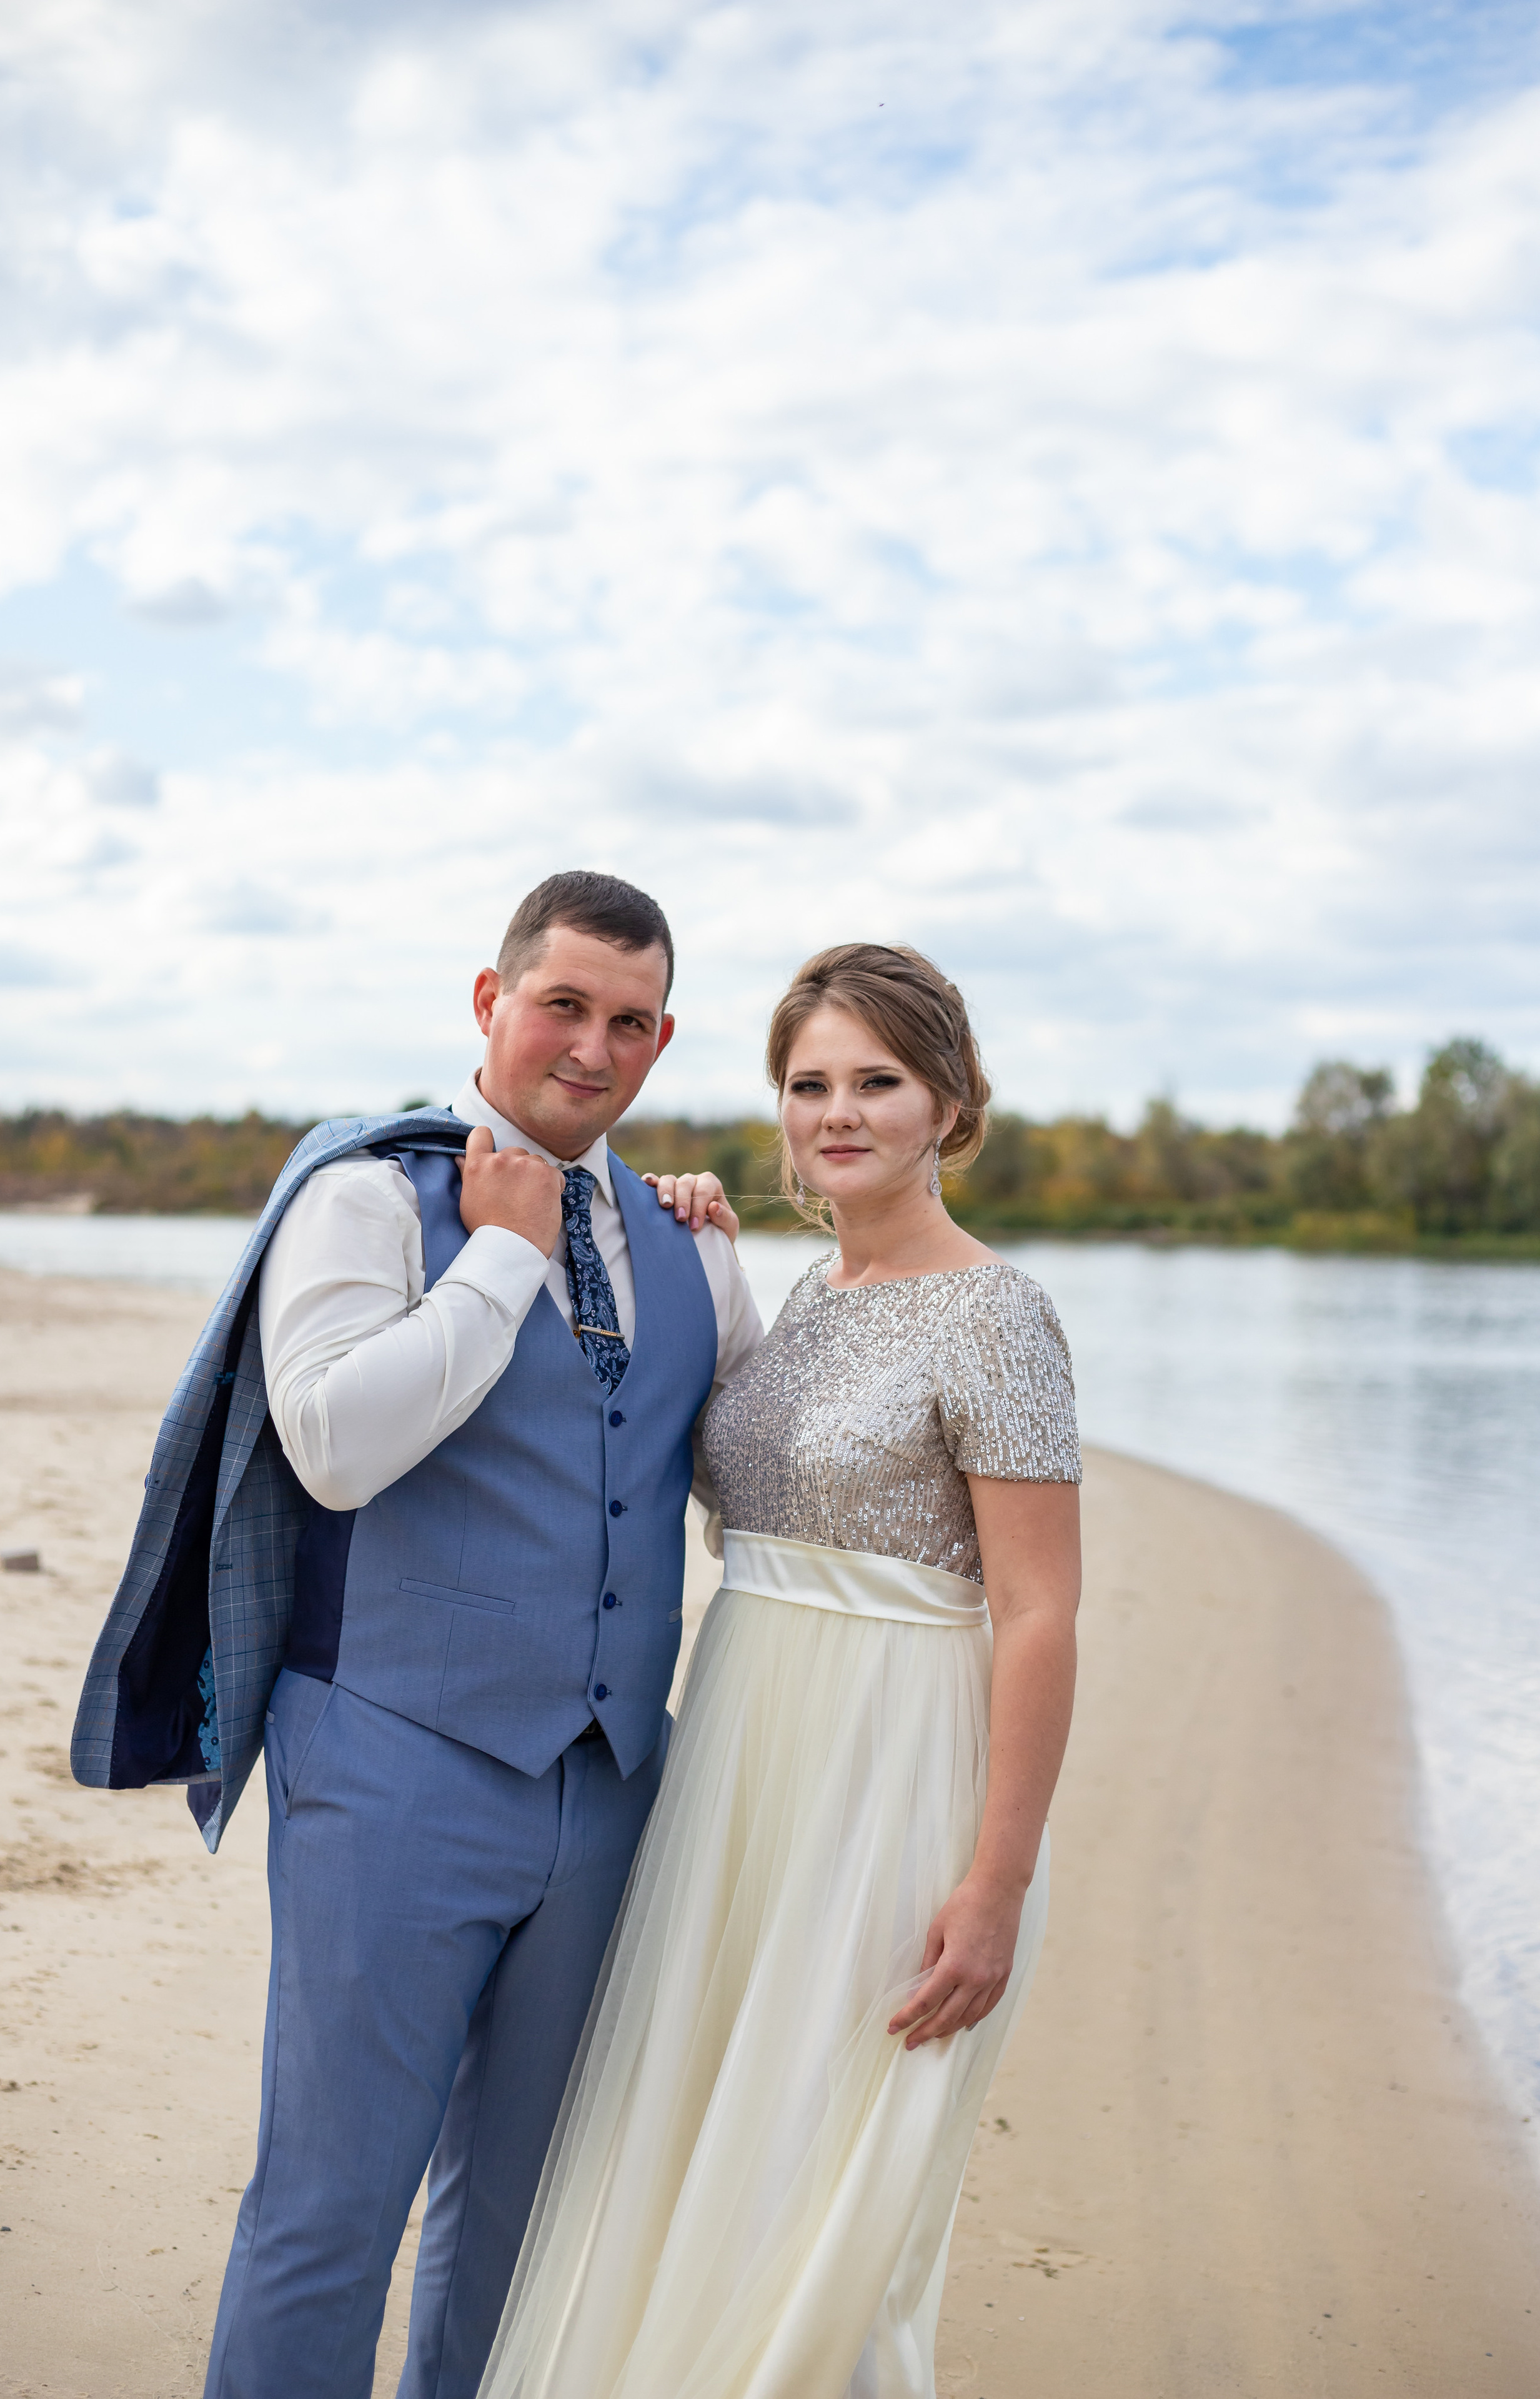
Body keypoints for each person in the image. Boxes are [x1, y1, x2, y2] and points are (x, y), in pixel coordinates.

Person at [71, 870, 760, 2399]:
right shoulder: (366, 1196)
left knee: (514, 2221)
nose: (591, 1047)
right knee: (329, 2210)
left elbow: (749, 1491)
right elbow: (330, 1445)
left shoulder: (691, 1241)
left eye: (629, 1022)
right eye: (562, 1005)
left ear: (661, 1042)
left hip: (603, 1789)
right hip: (388, 1768)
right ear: (488, 1002)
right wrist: (503, 1255)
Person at [477, 941, 1083, 2399]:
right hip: (743, 1758)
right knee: (709, 2151)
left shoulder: (997, 1315)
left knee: (828, 2197)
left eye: (876, 1081)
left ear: (948, 1101)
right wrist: (694, 1240)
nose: (838, 1113)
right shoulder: (802, 1294)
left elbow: (1043, 1612)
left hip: (892, 1773)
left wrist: (991, 1886)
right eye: (808, 1083)